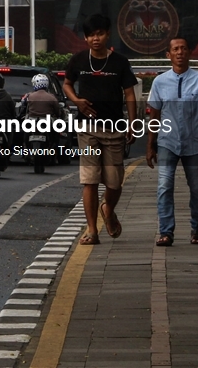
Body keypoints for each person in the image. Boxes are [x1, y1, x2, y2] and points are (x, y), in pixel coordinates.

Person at [63, 14, 138, 246]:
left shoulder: (119, 62)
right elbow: (66, 84)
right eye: (91, 35)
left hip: (114, 129)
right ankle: (92, 229)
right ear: (85, 38)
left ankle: (108, 208)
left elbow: (129, 94)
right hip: (87, 129)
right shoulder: (78, 61)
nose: (96, 38)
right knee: (90, 180)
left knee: (115, 182)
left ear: (107, 35)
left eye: (100, 34)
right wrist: (77, 101)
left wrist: (133, 123)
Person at [146, 37, 198, 247]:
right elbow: (154, 114)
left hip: (194, 142)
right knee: (164, 186)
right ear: (168, 55)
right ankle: (166, 231)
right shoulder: (159, 82)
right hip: (167, 142)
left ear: (189, 53)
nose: (180, 52)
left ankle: (197, 228)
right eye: (175, 49)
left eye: (183, 48)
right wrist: (150, 145)